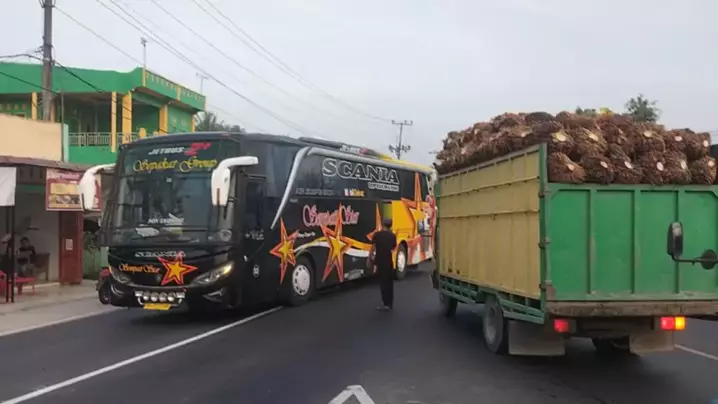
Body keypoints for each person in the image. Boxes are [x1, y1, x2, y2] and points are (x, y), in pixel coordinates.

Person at [369, 218, 397, 311]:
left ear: (383, 224)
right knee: (389, 283)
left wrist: (369, 258)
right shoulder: (393, 236)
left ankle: (385, 303)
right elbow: (393, 248)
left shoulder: (377, 235)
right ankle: (390, 303)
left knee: (383, 283)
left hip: (380, 261)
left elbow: (373, 248)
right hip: (389, 261)